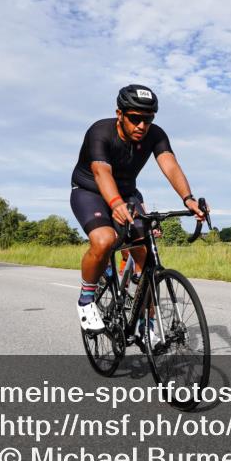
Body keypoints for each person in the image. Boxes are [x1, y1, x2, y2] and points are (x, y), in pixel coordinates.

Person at [70, 84, 207, 332]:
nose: (142, 126)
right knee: (104, 240)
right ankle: (86, 299)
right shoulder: (99, 131)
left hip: (127, 193)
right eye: (135, 119)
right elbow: (101, 172)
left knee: (147, 257)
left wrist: (188, 199)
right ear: (119, 114)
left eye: (148, 119)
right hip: (90, 191)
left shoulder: (155, 134)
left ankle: (147, 323)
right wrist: (115, 204)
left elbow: (170, 165)